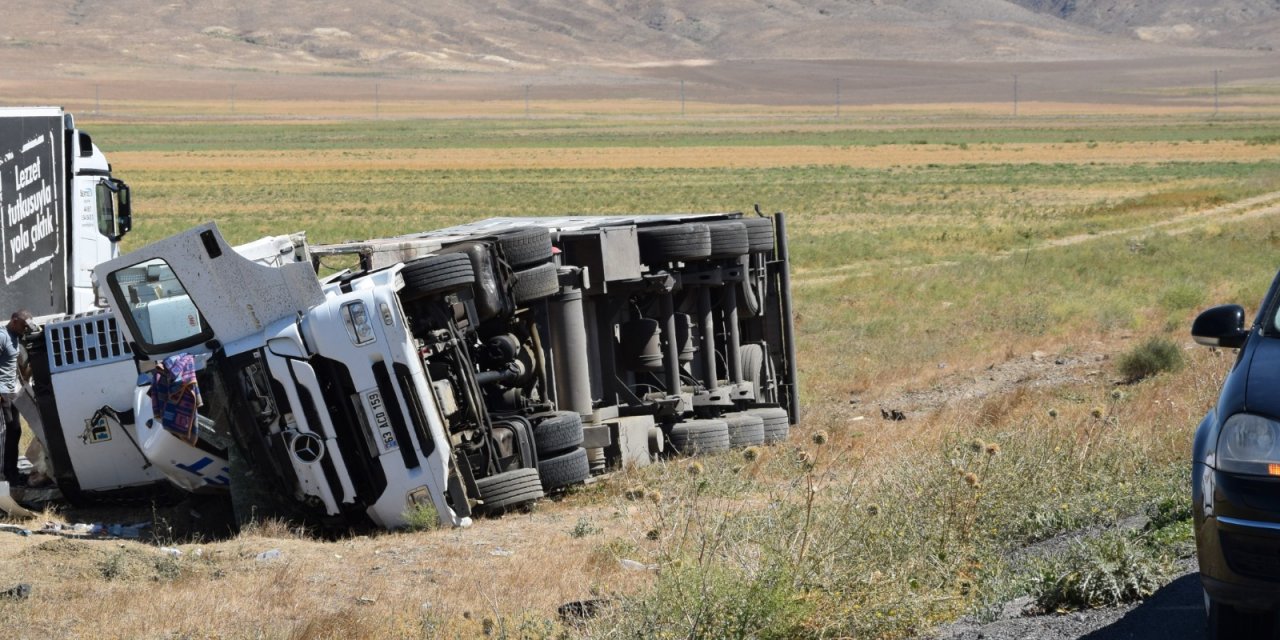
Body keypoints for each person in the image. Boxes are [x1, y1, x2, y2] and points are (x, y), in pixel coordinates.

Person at [0, 310, 32, 486]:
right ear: (14, 321)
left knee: (15, 430)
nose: (25, 329)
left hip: (11, 391)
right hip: (2, 391)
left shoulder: (16, 337)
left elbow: (18, 367)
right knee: (6, 433)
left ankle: (12, 473)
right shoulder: (3, 336)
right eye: (24, 325)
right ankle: (6, 476)